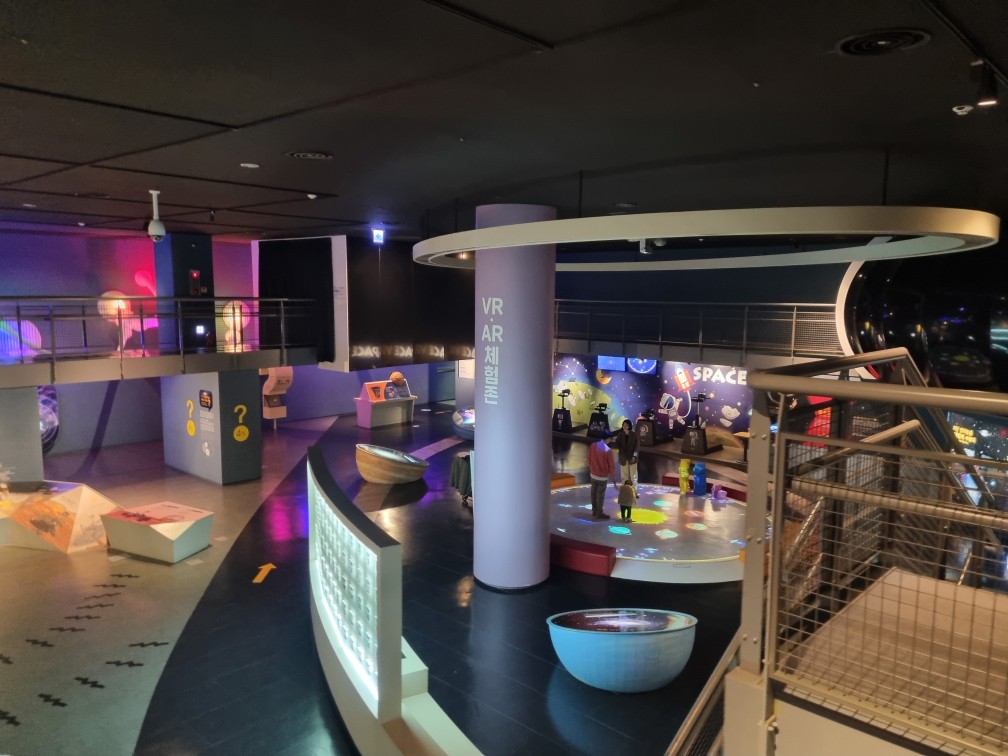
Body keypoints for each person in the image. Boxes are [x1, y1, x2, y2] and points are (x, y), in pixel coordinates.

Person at [588, 432, 618, 519]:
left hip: (593, 474)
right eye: (611, 439)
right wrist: (614, 478)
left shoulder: (593, 445)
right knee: (600, 495)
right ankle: (599, 513)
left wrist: (591, 468)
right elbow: (612, 466)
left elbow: (589, 458)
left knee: (593, 493)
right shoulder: (608, 450)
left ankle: (594, 511)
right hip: (602, 477)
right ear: (608, 438)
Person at [613, 418, 640, 486]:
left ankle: (634, 490)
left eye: (626, 425)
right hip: (623, 458)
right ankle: (625, 490)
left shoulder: (634, 435)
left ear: (629, 426)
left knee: (633, 476)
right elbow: (617, 445)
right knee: (624, 476)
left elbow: (636, 447)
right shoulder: (620, 434)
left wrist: (634, 456)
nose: (624, 426)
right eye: (623, 425)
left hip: (632, 458)